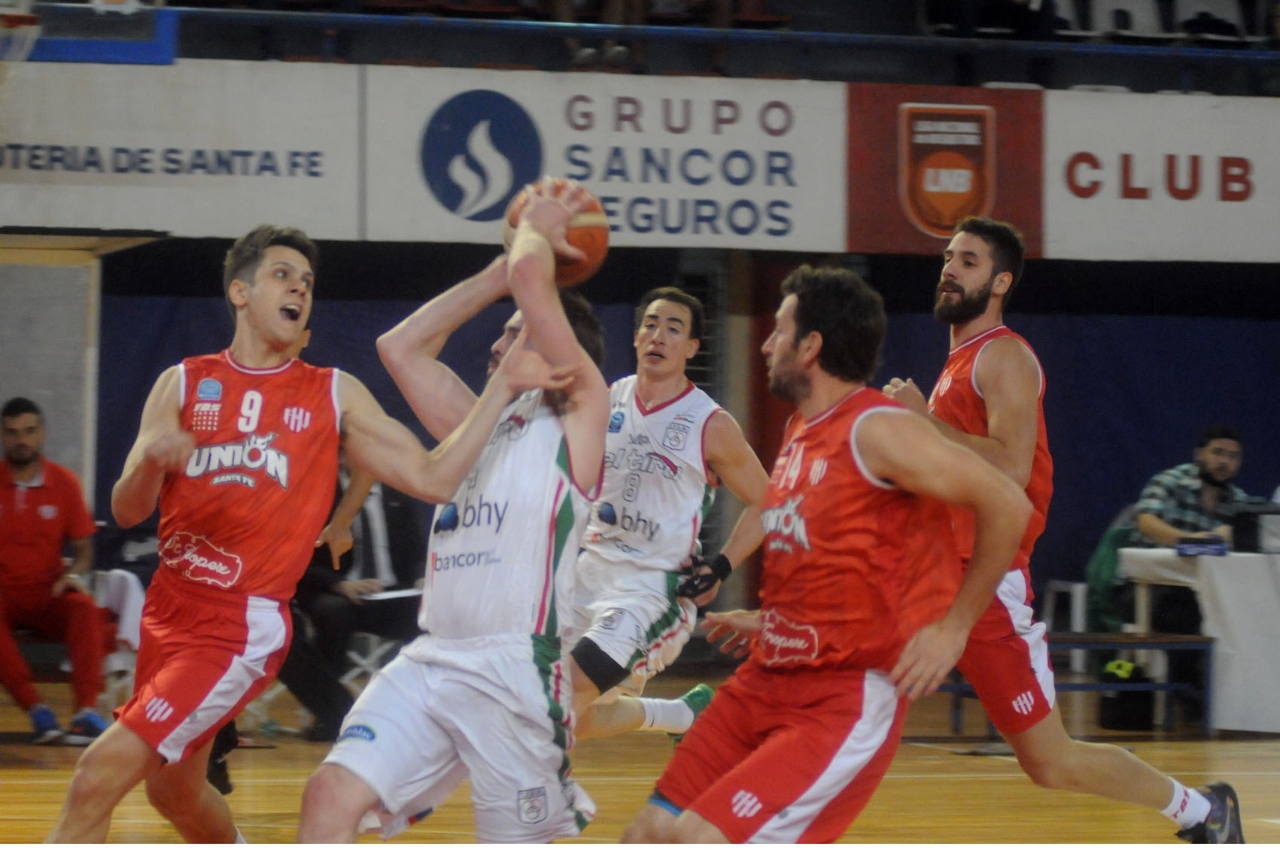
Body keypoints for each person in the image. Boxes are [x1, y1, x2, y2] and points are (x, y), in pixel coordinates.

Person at [46, 223, 563, 843]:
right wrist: (151, 462)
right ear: (240, 292)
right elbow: (127, 510)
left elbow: (434, 477)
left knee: (95, 777)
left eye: (308, 282)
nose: (299, 289)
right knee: (173, 791)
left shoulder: (331, 394)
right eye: (283, 275)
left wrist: (502, 385)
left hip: (238, 626)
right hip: (169, 608)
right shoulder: (183, 383)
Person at [622, 264, 1034, 843]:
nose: (766, 344)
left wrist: (954, 627)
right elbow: (836, 561)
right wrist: (772, 621)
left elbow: (1009, 505)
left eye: (779, 331)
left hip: (840, 698)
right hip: (766, 679)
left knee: (697, 836)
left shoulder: (878, 429)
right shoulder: (802, 429)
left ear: (811, 346)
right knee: (647, 833)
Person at [883, 216, 1244, 844]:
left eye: (967, 261)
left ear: (1000, 282)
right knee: (842, 689)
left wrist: (921, 424)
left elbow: (1011, 467)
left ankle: (1202, 811)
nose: (949, 269)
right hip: (935, 575)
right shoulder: (956, 365)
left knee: (1052, 762)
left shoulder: (1005, 356)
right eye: (947, 258)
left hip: (983, 584)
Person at [297, 178, 609, 843]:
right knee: (328, 795)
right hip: (434, 658)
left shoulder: (582, 418)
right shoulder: (477, 422)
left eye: (515, 333)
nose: (496, 345)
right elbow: (399, 346)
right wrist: (497, 274)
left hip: (514, 671)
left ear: (559, 350)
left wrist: (538, 227)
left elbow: (533, 278)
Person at [568, 286, 769, 741]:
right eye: (651, 324)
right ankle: (681, 715)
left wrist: (721, 566)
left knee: (564, 695)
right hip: (586, 574)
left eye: (673, 329)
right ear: (636, 336)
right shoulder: (607, 400)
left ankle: (543, 788)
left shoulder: (710, 423)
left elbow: (769, 501)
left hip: (650, 591)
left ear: (692, 348)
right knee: (566, 713)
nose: (659, 335)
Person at [0, 396, 111, 745]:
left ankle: (86, 714)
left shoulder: (64, 482)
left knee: (84, 608)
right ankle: (37, 712)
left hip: (48, 590)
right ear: (3, 437)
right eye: (12, 432)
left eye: (29, 431)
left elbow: (83, 550)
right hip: (3, 593)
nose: (21, 440)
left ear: (42, 433)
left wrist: (73, 575)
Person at [1128, 423, 1248, 723]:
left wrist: (1234, 535)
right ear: (1199, 454)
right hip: (1145, 588)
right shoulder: (1170, 482)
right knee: (1186, 613)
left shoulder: (1239, 501)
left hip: (1202, 590)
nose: (1224, 462)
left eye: (1233, 456)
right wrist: (1189, 541)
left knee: (1234, 612)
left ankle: (1234, 699)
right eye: (1218, 452)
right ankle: (1192, 696)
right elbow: (1145, 521)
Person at [294, 460, 426, 678]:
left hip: (391, 592)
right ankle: (329, 689)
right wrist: (341, 585)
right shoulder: (318, 493)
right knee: (334, 612)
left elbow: (417, 552)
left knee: (432, 608)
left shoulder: (398, 491)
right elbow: (300, 561)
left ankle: (413, 683)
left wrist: (420, 577)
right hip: (337, 593)